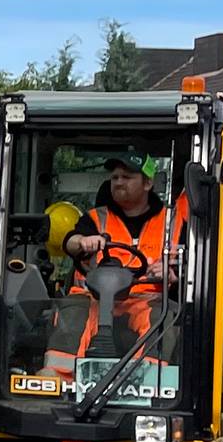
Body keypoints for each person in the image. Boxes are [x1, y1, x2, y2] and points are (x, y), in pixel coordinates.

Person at [63, 153, 191, 358]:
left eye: (127, 176)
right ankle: (57, 378)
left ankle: (148, 380)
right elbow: (69, 243)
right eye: (114, 178)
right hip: (95, 300)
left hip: (147, 301)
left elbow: (192, 268)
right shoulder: (95, 218)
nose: (119, 182)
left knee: (162, 317)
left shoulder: (173, 222)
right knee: (72, 312)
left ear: (147, 183)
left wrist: (172, 274)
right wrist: (81, 242)